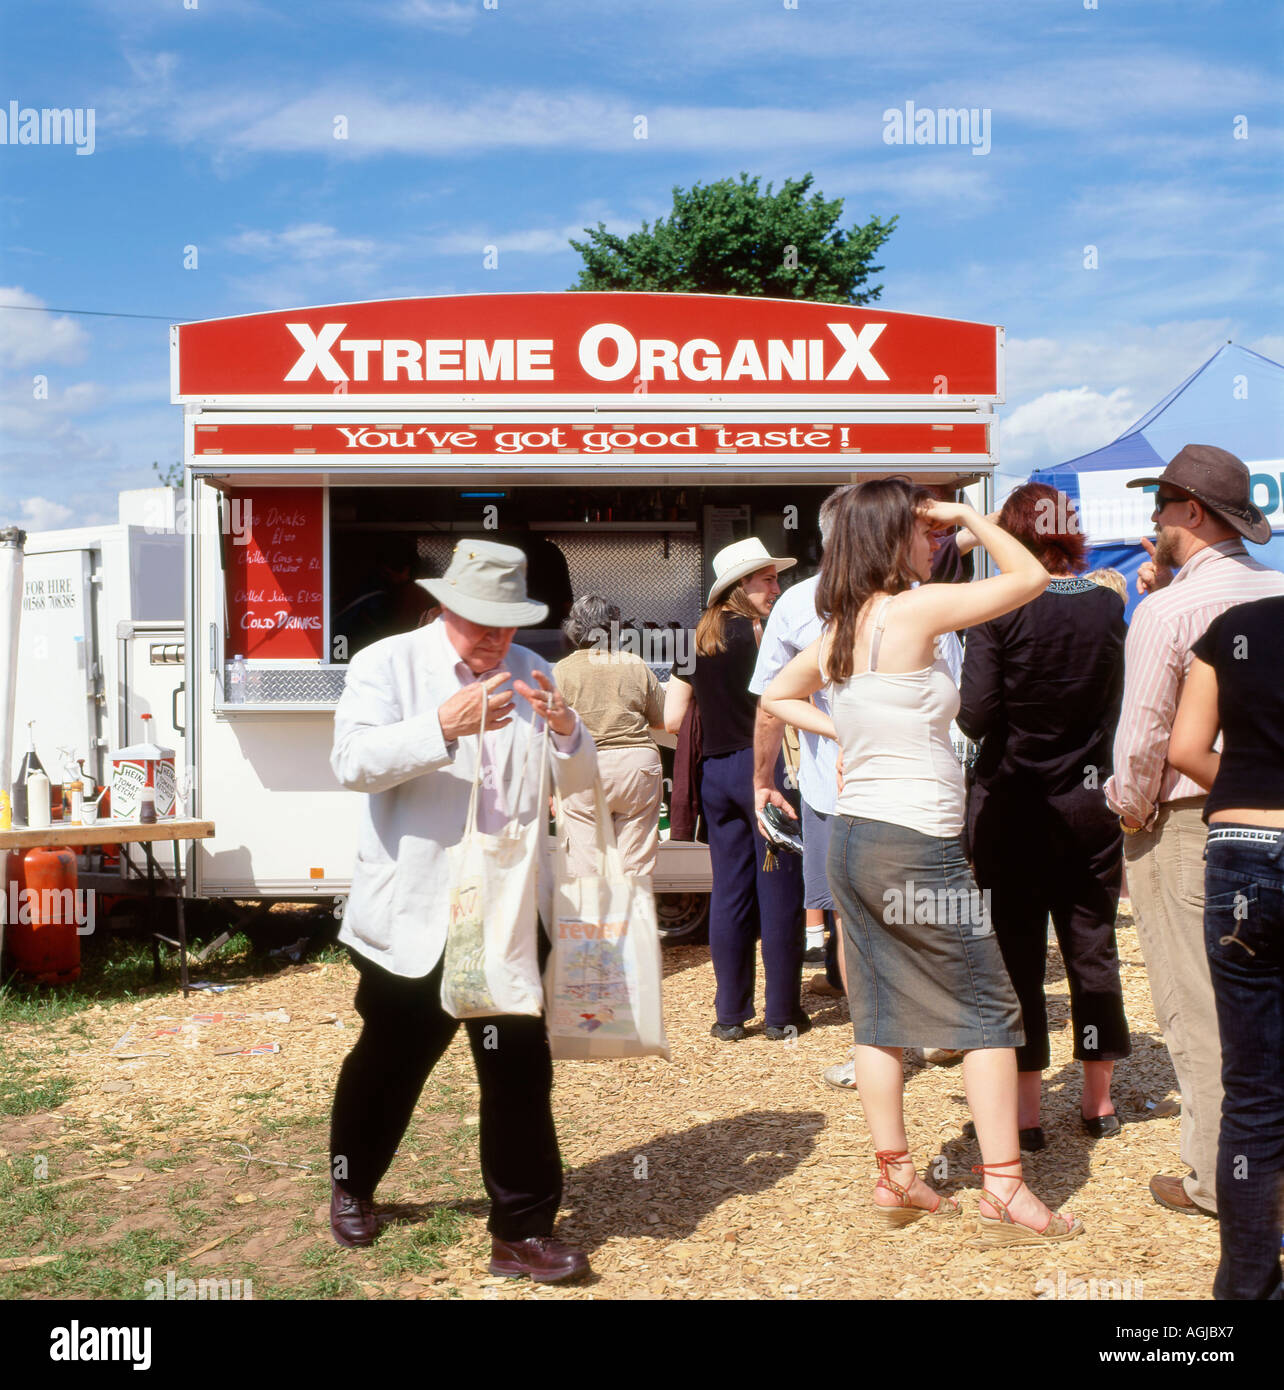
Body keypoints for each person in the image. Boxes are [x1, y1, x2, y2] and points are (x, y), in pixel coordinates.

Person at [763, 480, 1081, 1242]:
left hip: (854, 840)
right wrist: (970, 515)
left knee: (877, 1010)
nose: (932, 539)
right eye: (921, 529)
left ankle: (897, 1176)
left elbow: (776, 694)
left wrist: (844, 735)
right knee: (988, 1008)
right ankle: (1004, 1190)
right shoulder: (916, 609)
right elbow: (1031, 577)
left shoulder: (842, 628)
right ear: (890, 538)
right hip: (918, 843)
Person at [327, 540, 599, 1284]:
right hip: (415, 908)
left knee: (517, 1072)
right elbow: (352, 764)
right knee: (390, 1061)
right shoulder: (385, 665)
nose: (496, 637)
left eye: (509, 623)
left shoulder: (535, 671)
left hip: (506, 912)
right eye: (482, 621)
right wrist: (441, 727)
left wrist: (568, 732)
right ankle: (352, 1182)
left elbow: (580, 780)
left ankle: (522, 1231)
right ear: (445, 606)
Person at [1104, 444, 1284, 1219]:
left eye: (1161, 506)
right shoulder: (1276, 589)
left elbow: (1145, 740)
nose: (1154, 521)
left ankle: (1222, 1180)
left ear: (1192, 512)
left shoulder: (1169, 611)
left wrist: (1129, 808)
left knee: (1202, 1006)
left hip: (1189, 819)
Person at [958, 482, 1130, 1152]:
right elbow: (1117, 705)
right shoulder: (1106, 606)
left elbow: (975, 716)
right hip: (1089, 804)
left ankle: (1026, 1116)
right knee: (1093, 947)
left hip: (1013, 804)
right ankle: (1098, 1103)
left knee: (1016, 955)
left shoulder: (996, 607)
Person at [1170, 594, 1284, 1300]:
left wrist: (1248, 783)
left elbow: (1185, 749)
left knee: (1253, 1091)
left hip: (1242, 850)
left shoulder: (1235, 628)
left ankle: (1248, 1290)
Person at [665, 537, 808, 1041]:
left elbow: (672, 718)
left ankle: (729, 1015)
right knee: (779, 890)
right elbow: (783, 701)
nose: (776, 587)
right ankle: (781, 1014)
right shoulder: (764, 632)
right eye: (767, 579)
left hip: (715, 775)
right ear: (740, 586)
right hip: (764, 771)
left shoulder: (694, 638)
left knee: (728, 892)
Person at [554, 595, 666, 878]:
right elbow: (662, 720)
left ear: (574, 629)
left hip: (583, 767)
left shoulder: (561, 671)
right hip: (636, 768)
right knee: (634, 868)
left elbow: (549, 729)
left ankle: (593, 907)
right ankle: (632, 906)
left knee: (586, 866)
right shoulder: (635, 664)